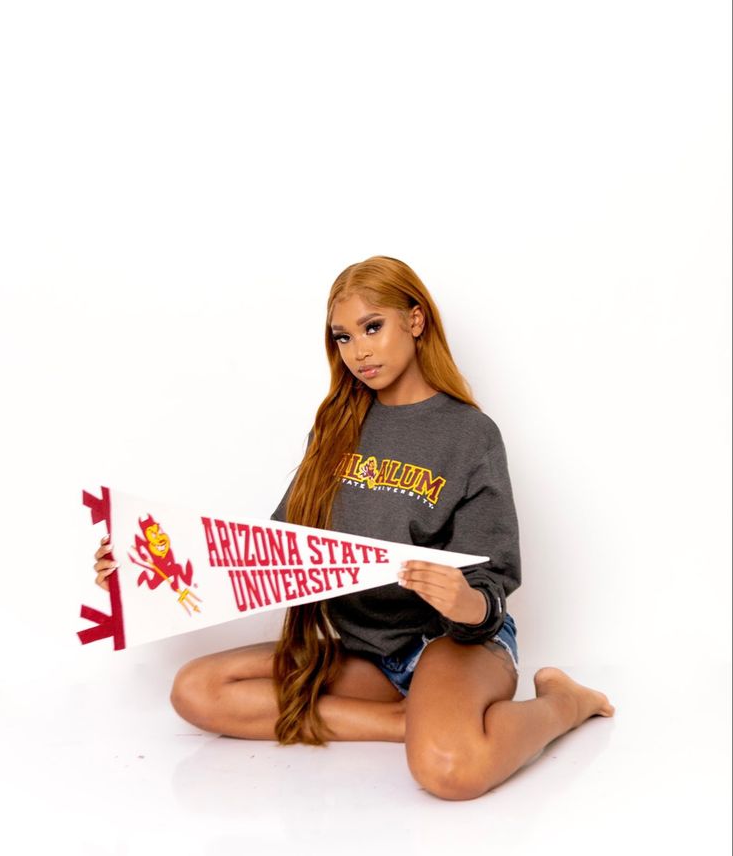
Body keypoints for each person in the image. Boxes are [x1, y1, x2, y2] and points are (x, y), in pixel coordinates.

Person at [92, 255, 615, 801]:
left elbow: (495, 575)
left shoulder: (469, 433)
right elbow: (272, 553)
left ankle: (564, 702)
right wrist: (143, 572)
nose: (358, 351)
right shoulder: (337, 425)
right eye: (343, 337)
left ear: (415, 320)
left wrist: (465, 602)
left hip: (452, 641)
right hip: (367, 652)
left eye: (373, 327)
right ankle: (407, 722)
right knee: (197, 690)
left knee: (449, 769)